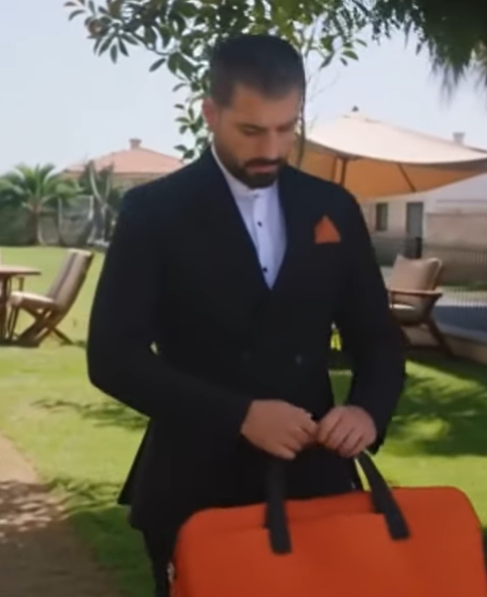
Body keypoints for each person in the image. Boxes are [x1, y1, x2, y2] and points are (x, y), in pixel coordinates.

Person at [86, 33, 405, 597]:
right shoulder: (153, 212)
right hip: (194, 486)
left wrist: (367, 411)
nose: (272, 148)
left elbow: (378, 338)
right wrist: (240, 415)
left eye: (287, 128)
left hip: (316, 483)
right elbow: (113, 357)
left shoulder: (333, 207)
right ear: (211, 113)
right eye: (252, 130)